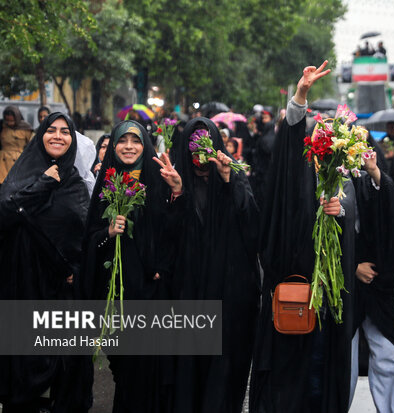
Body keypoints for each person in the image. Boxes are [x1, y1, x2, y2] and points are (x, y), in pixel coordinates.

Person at [249, 60, 357, 413]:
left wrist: (339, 211)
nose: (321, 136)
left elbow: (357, 215)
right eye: (316, 130)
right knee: (290, 365)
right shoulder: (294, 168)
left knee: (321, 367)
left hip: (328, 288)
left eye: (328, 132)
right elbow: (292, 127)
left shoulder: (341, 174)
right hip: (294, 280)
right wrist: (301, 93)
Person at [80, 120, 183, 413]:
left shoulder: (159, 181)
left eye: (135, 141)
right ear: (113, 145)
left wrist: (177, 192)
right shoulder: (106, 182)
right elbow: (89, 238)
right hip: (112, 292)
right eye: (122, 141)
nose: (128, 147)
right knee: (121, 364)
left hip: (149, 290)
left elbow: (176, 232)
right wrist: (107, 233)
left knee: (143, 368)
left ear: (145, 145)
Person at [0, 112, 91, 412]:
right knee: (24, 361)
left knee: (62, 361)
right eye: (50, 130)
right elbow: (6, 213)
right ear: (40, 136)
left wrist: (72, 268)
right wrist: (42, 184)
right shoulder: (24, 173)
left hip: (62, 284)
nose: (58, 136)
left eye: (65, 132)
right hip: (23, 278)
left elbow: (82, 232)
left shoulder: (75, 183)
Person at [170, 117, 259, 412]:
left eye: (205, 143)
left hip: (227, 292)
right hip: (187, 291)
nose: (199, 154)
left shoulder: (232, 176)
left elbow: (252, 227)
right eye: (193, 144)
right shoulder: (175, 179)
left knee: (223, 369)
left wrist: (228, 179)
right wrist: (178, 194)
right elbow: (165, 233)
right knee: (187, 369)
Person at [349, 149, 394, 412]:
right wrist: (351, 267)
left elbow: (392, 215)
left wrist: (373, 172)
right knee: (342, 363)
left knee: (386, 357)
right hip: (345, 288)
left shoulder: (379, 185)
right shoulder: (328, 182)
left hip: (378, 285)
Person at [0, 106, 33, 184]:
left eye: (12, 121)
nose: (9, 123)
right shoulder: (2, 126)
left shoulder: (26, 128)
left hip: (19, 159)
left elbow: (31, 146)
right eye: (7, 120)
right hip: (2, 161)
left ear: (17, 118)